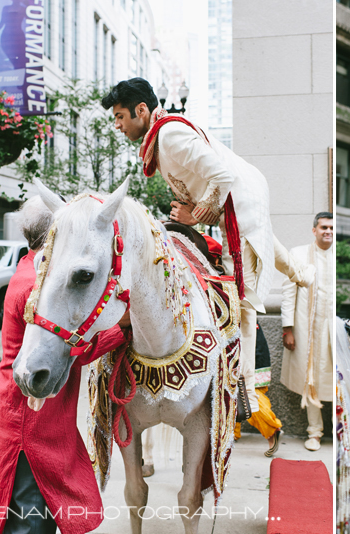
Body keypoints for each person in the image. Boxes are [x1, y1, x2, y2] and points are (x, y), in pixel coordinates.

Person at [101, 78, 312, 414]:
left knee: (240, 303)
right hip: (239, 209)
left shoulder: (170, 135)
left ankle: (242, 392)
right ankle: (302, 273)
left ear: (141, 110)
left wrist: (198, 214)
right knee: (264, 244)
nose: (117, 125)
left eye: (120, 116)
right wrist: (193, 214)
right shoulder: (163, 138)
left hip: (236, 206)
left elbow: (222, 175)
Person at [0, 197, 127, 534]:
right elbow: (72, 346)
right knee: (29, 514)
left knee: (27, 509)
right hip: (30, 415)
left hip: (33, 412)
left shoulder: (32, 268)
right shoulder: (34, 285)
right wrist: (119, 330)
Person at [280, 212, 334, 451]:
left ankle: (340, 433)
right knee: (310, 377)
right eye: (324, 227)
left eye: (332, 228)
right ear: (314, 230)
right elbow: (288, 292)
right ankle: (314, 433)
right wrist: (287, 328)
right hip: (306, 328)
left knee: (335, 378)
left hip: (332, 331)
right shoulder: (299, 254)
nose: (328, 232)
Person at [234, 323, 283, 457]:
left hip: (246, 346)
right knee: (235, 391)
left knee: (247, 393)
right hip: (247, 341)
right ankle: (233, 433)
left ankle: (271, 429)